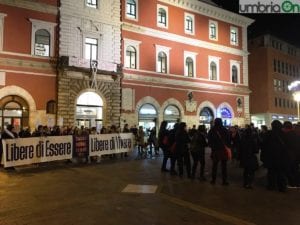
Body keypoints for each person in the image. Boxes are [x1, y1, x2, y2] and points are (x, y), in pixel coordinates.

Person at [262, 120, 289, 192]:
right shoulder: (284, 134)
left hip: (270, 157)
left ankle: (271, 185)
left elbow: (263, 145)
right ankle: (282, 187)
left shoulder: (268, 133)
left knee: (271, 172)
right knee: (281, 172)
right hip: (281, 156)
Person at [207, 118, 230, 185]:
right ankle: (224, 181)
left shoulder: (212, 130)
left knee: (214, 165)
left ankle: (213, 180)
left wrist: (212, 147)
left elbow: (209, 140)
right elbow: (228, 139)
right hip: (223, 150)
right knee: (224, 166)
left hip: (215, 150)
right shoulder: (224, 129)